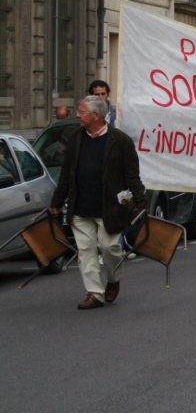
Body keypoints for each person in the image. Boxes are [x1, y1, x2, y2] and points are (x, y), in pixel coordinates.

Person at [49, 95, 149, 309]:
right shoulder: (75, 138)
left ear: (96, 115)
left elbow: (132, 176)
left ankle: (113, 280)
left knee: (110, 247)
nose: (78, 115)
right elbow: (66, 174)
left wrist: (142, 203)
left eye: (82, 112)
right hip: (80, 207)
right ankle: (94, 293)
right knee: (85, 251)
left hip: (110, 208)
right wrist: (57, 202)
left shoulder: (120, 141)